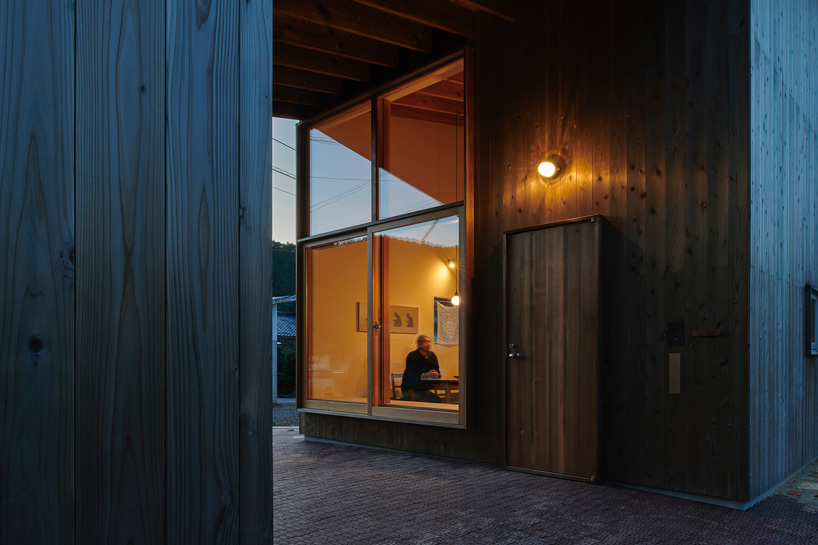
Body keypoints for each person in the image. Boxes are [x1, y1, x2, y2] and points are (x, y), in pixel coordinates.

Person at [401, 334, 442, 403]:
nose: (428, 344)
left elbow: (437, 370)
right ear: (419, 344)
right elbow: (411, 374)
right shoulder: (412, 356)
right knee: (426, 401)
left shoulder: (431, 355)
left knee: (437, 399)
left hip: (423, 389)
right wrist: (425, 375)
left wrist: (436, 373)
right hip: (410, 389)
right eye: (425, 342)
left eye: (429, 342)